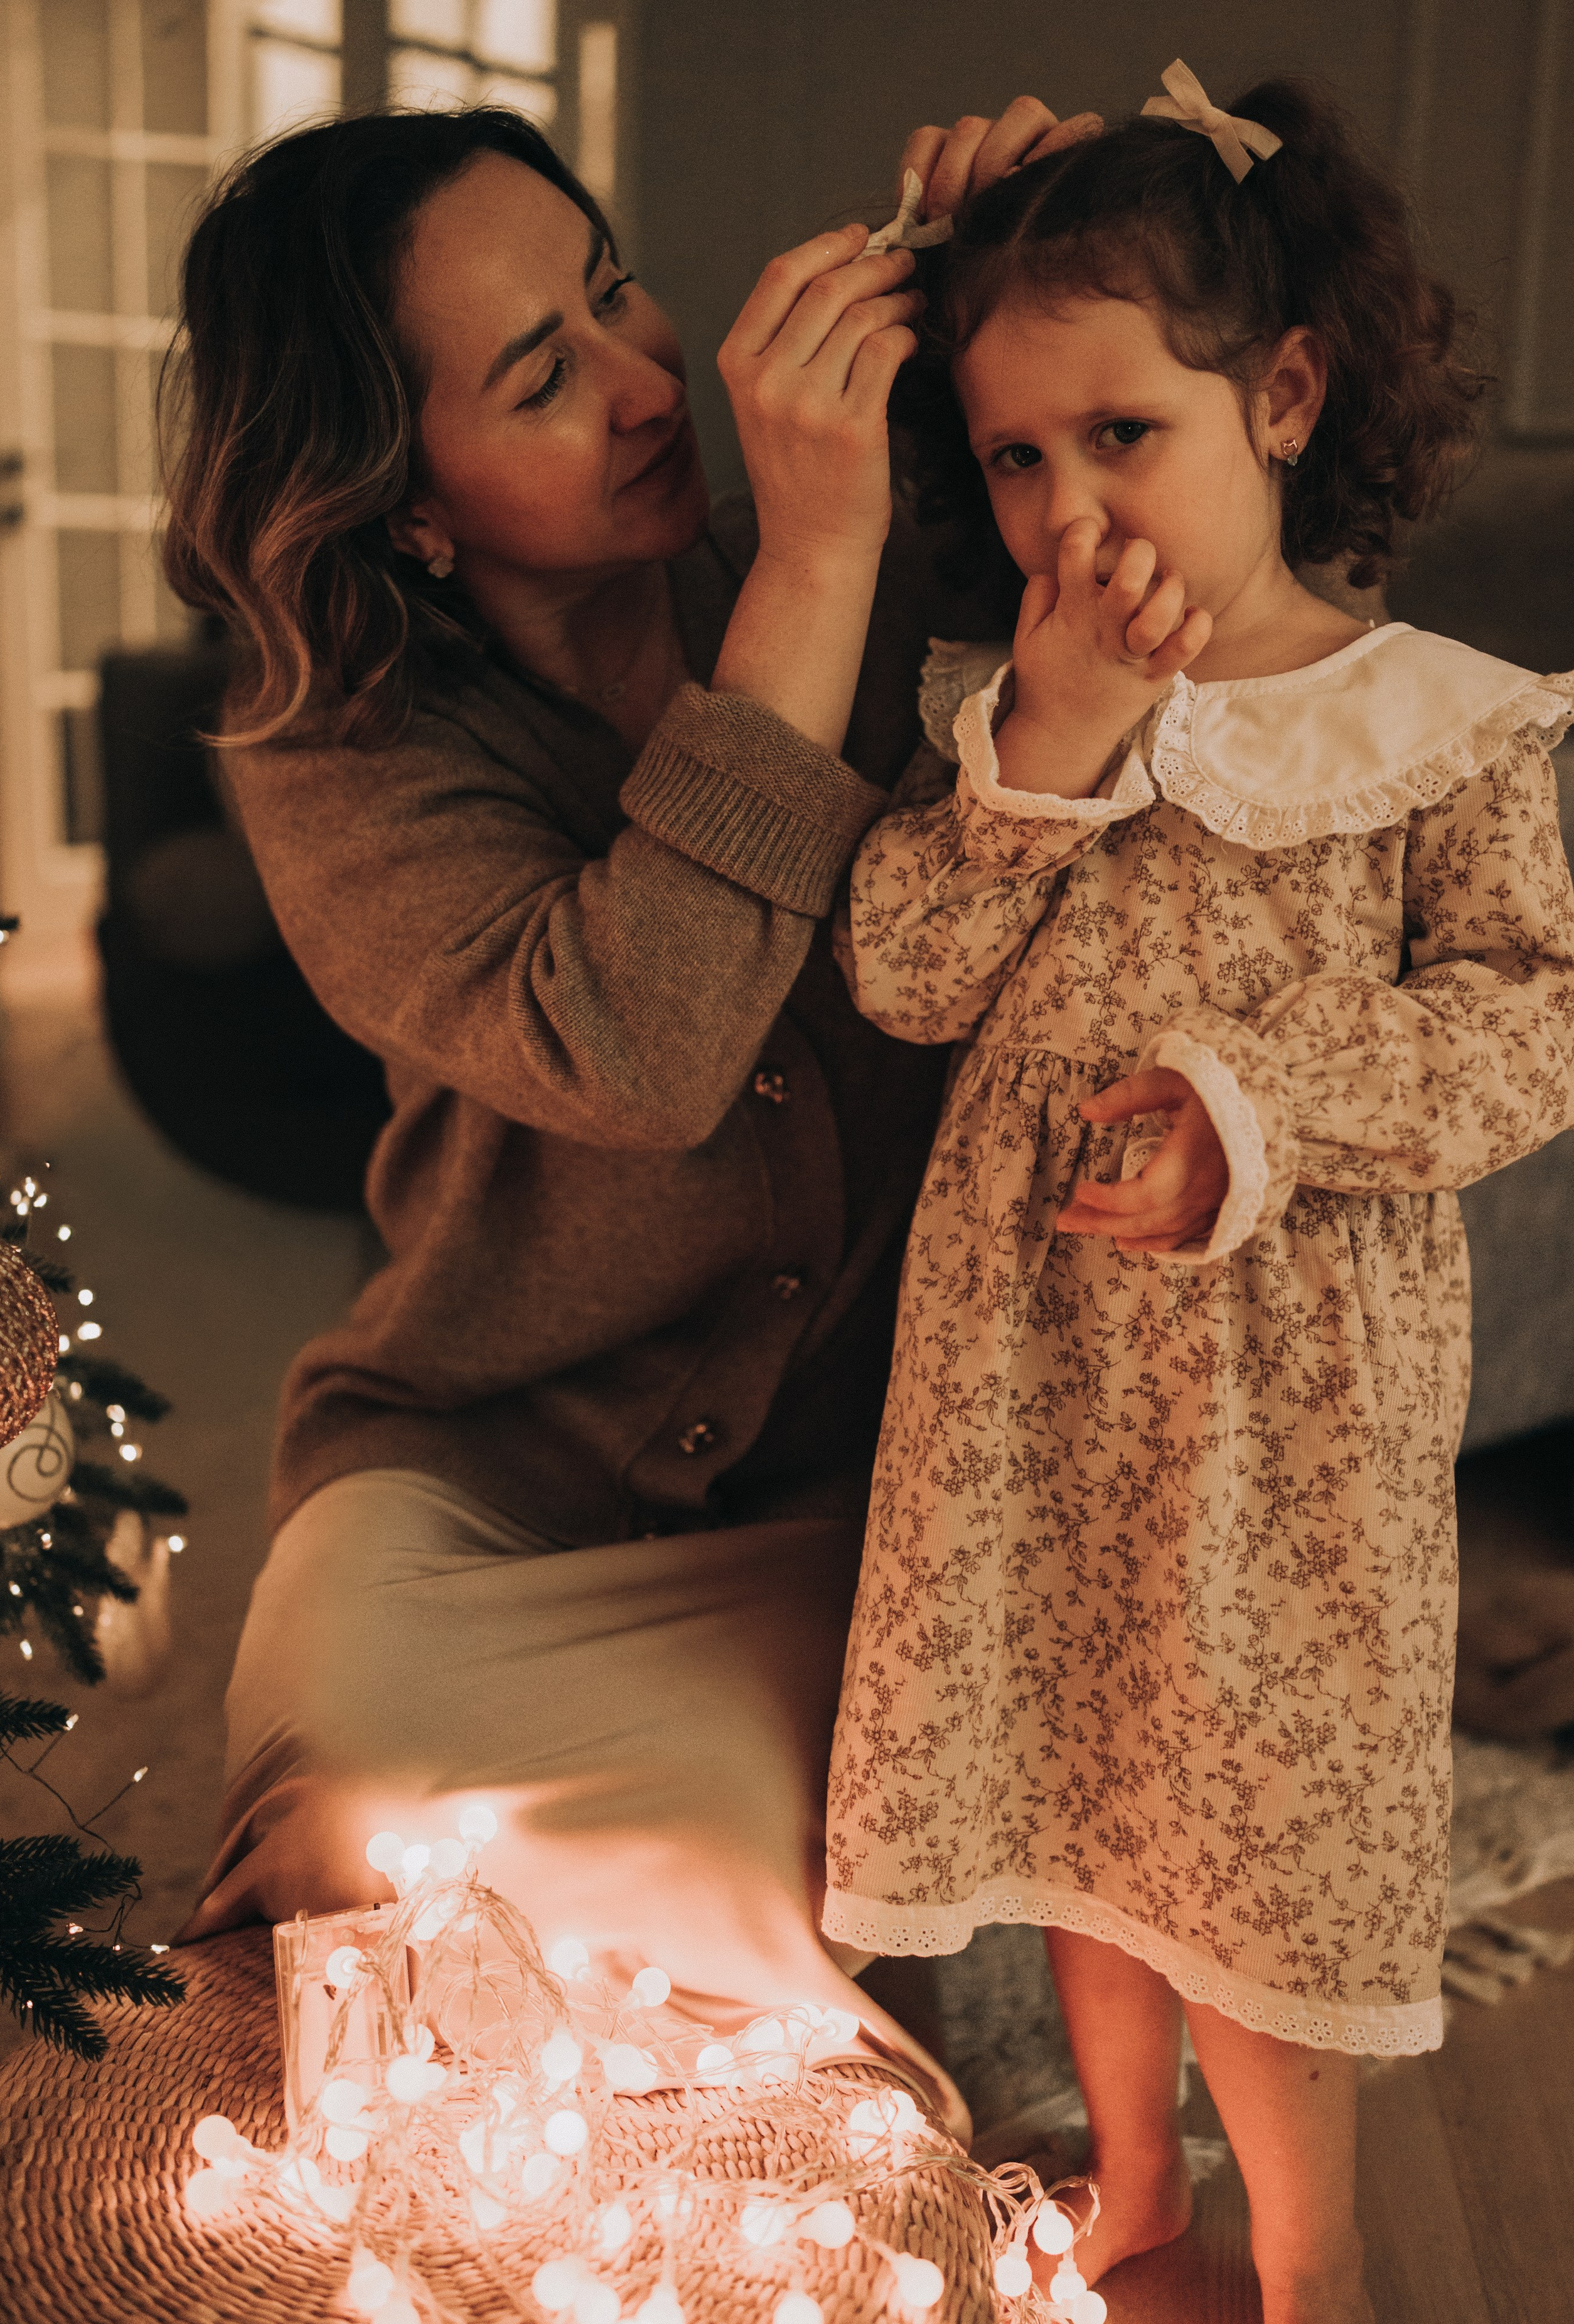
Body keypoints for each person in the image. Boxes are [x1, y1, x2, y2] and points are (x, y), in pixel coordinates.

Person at [161, 97, 1101, 2121]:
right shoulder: (335, 757)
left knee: (767, 1849)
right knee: (360, 1806)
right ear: (406, 502)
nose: (646, 379)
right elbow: (641, 1049)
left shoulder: (899, 566)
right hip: (476, 1465)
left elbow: (1218, 531)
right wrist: (821, 553)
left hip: (853, 1491)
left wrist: (1066, 248)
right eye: (540, 375)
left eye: (610, 292)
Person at [822, 66, 1574, 2324]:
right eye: (1016, 460)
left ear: (1281, 395)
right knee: (1084, 1793)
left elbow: (1522, 1041)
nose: (1064, 505)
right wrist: (1041, 754)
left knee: (1261, 1848)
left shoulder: (1434, 732)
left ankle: (1313, 2272)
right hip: (1039, 1387)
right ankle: (1133, 2198)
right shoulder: (1019, 711)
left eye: (1122, 435)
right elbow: (902, 976)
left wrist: (1255, 1118)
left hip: (1295, 1423)